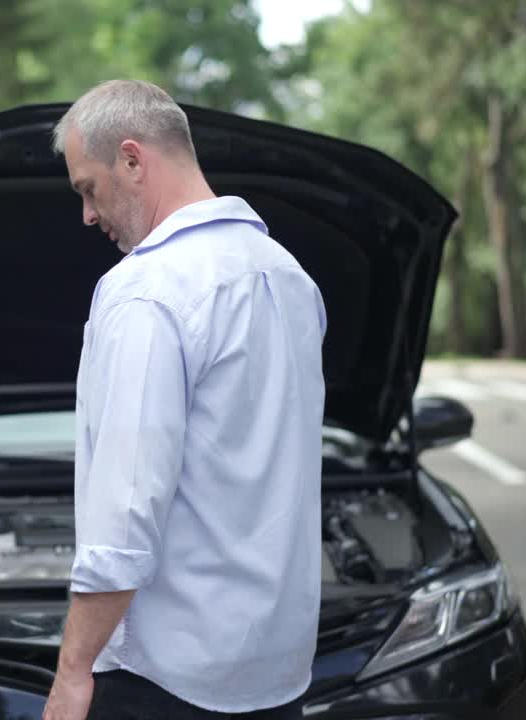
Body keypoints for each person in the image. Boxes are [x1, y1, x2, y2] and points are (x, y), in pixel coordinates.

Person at [43, 80, 328, 720]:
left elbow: (126, 510)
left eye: (88, 188)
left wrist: (72, 671)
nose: (87, 215)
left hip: (166, 682)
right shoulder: (288, 275)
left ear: (133, 160)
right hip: (278, 675)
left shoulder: (147, 291)